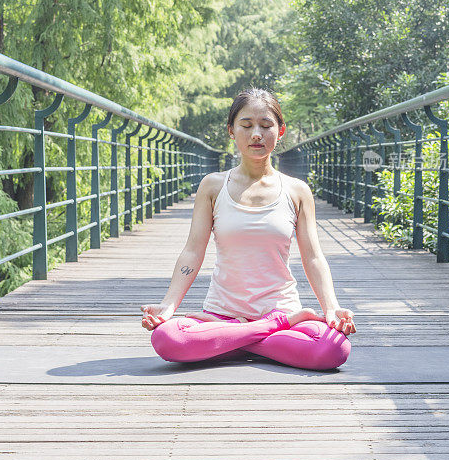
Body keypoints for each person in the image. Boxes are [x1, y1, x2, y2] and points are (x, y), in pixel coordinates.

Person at [141, 88, 356, 371]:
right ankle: (267, 334)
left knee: (334, 348)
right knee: (166, 338)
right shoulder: (213, 186)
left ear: (280, 132)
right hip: (227, 314)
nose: (256, 134)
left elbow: (313, 257)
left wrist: (330, 309)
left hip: (277, 310)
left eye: (266, 126)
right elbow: (193, 251)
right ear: (231, 130)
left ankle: (229, 341)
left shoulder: (297, 191)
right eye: (246, 125)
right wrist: (168, 304)